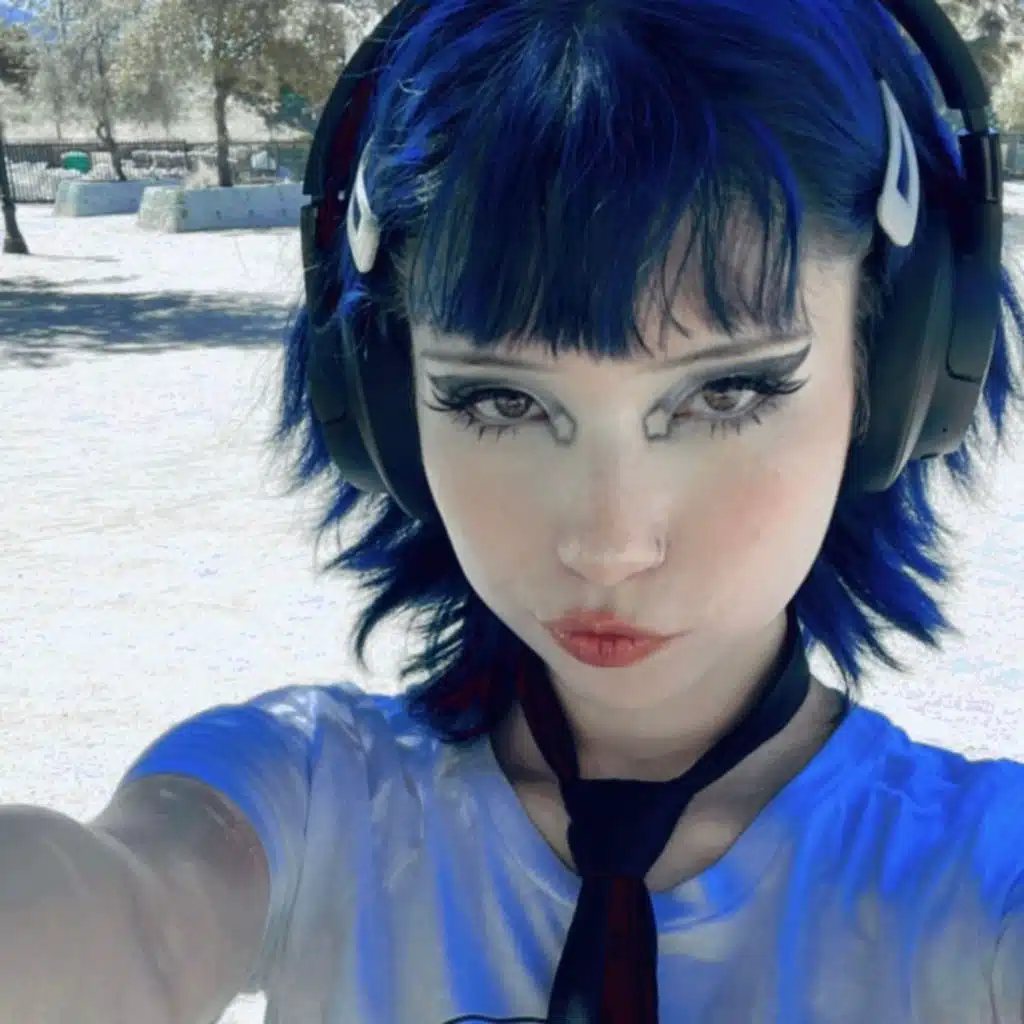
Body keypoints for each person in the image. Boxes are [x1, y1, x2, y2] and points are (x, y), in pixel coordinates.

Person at [2, 0, 1023, 1021]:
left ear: (896, 376)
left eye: (726, 393)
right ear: (383, 407)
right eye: (500, 400)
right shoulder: (302, 796)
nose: (609, 545)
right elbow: (125, 910)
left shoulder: (981, 876)